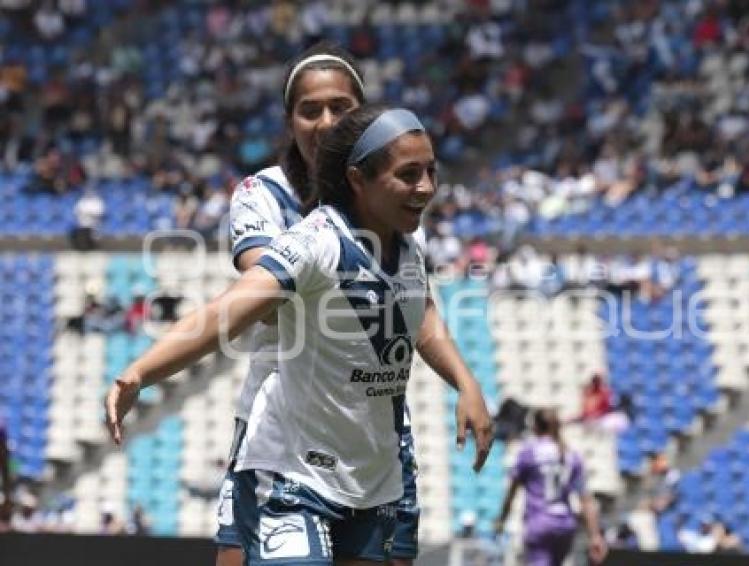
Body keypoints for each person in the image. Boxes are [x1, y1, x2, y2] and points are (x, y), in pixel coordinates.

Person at [105, 104, 493, 565]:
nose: (426, 187)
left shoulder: (408, 245)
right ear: (357, 179)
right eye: (409, 175)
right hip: (296, 477)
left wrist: (466, 384)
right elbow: (226, 313)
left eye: (431, 171)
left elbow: (419, 317)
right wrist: (140, 372)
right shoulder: (318, 241)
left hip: (375, 481)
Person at [218, 42, 490, 566]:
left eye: (341, 108)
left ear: (362, 116)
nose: (325, 123)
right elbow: (265, 290)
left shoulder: (392, 196)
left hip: (371, 432)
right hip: (281, 430)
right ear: (289, 119)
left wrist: (466, 381)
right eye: (309, 109)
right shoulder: (262, 194)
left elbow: (417, 309)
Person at [494, 408, 607, 566]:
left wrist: (502, 519)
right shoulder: (572, 456)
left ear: (535, 427)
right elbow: (586, 499)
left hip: (539, 523)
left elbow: (512, 492)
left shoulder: (528, 453)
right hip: (565, 526)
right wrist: (595, 535)